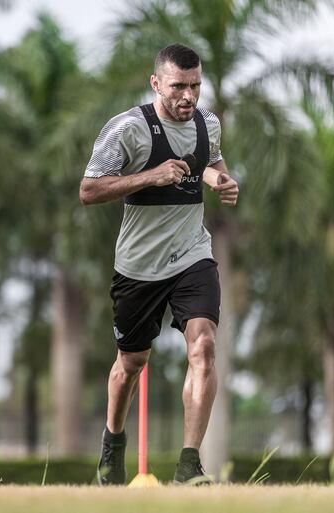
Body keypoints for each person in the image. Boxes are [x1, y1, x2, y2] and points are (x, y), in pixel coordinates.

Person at [80, 43, 239, 485]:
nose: (188, 97)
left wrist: (218, 178)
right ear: (156, 83)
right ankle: (113, 443)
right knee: (130, 363)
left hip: (193, 254)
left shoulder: (209, 123)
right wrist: (151, 175)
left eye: (195, 86)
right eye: (177, 87)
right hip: (138, 266)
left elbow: (208, 161)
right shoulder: (128, 129)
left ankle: (190, 465)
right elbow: (88, 190)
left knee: (204, 346)